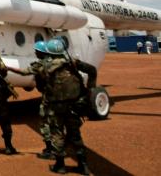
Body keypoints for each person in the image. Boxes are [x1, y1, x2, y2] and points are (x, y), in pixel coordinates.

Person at [41, 38, 97, 175]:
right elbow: (92, 70)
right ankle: (83, 166)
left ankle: (60, 165)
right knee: (76, 136)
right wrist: (90, 89)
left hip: (56, 108)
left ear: (49, 52)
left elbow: (41, 85)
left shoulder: (45, 67)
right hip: (74, 106)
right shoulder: (72, 63)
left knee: (57, 135)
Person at [8, 40, 54, 159]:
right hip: (59, 97)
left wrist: (9, 68)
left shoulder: (39, 65)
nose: (35, 53)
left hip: (47, 97)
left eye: (36, 51)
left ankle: (50, 149)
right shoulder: (55, 62)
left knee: (45, 123)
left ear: (40, 52)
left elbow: (24, 72)